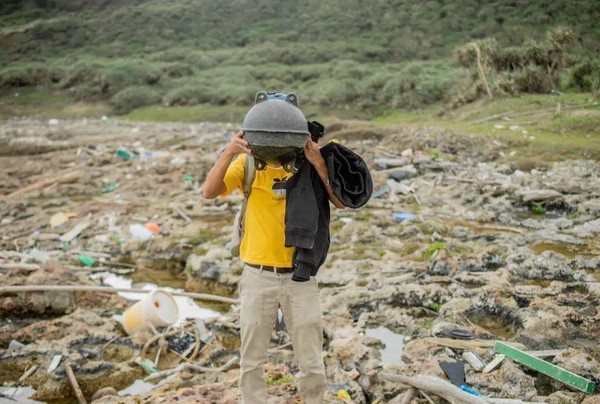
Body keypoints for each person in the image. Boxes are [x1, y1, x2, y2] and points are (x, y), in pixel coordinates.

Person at [201, 130, 344, 404]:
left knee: (311, 360)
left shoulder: (309, 165)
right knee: (251, 360)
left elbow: (340, 202)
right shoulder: (249, 165)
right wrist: (230, 151)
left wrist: (318, 162)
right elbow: (208, 192)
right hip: (258, 275)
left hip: (300, 276)